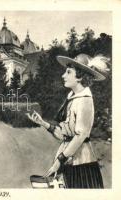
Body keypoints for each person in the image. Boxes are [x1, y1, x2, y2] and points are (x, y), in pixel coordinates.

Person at [27, 53, 109, 188]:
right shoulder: (73, 98)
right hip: (67, 161)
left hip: (81, 164)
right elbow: (64, 136)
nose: (63, 75)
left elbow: (81, 135)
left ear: (80, 77)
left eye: (68, 72)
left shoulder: (85, 100)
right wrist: (43, 123)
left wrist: (60, 160)